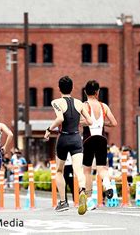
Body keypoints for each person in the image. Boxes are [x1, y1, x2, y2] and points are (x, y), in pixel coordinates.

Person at [44, 76, 93, 215]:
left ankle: (63, 202)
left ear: (59, 88)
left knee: (59, 171)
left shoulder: (56, 102)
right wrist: (77, 122)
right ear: (72, 88)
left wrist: (48, 130)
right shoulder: (79, 103)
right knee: (79, 170)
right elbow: (89, 121)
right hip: (76, 138)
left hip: (63, 138)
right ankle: (82, 190)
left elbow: (60, 118)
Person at [80, 80, 118, 210]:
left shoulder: (84, 105)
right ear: (98, 92)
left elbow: (81, 122)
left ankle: (90, 200)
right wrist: (102, 123)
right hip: (102, 138)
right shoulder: (104, 106)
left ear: (85, 92)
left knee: (87, 170)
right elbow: (114, 123)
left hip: (88, 139)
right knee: (102, 168)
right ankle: (107, 185)